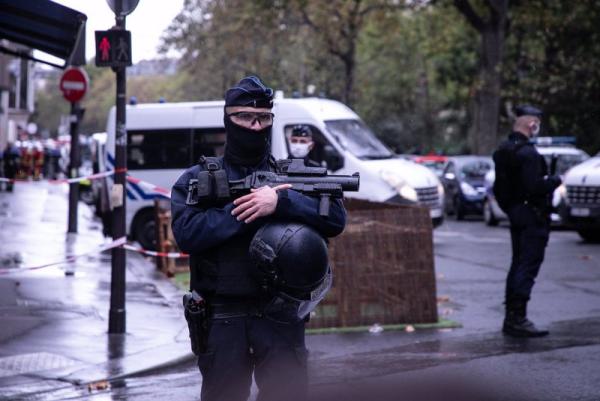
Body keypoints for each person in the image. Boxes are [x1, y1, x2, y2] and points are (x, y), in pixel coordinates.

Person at [170, 76, 346, 401]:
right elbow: (186, 234)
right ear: (228, 120)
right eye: (245, 118)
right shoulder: (197, 179)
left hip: (280, 315)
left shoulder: (293, 175)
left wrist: (281, 202)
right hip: (223, 317)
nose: (255, 126)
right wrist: (247, 210)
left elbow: (335, 219)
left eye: (263, 118)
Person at [493, 104, 561, 338]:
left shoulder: (503, 150)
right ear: (531, 124)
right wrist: (554, 181)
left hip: (517, 214)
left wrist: (511, 209)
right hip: (532, 216)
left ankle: (512, 317)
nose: (537, 128)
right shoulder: (528, 154)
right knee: (527, 266)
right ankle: (518, 318)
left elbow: (499, 188)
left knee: (517, 264)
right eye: (537, 123)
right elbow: (534, 187)